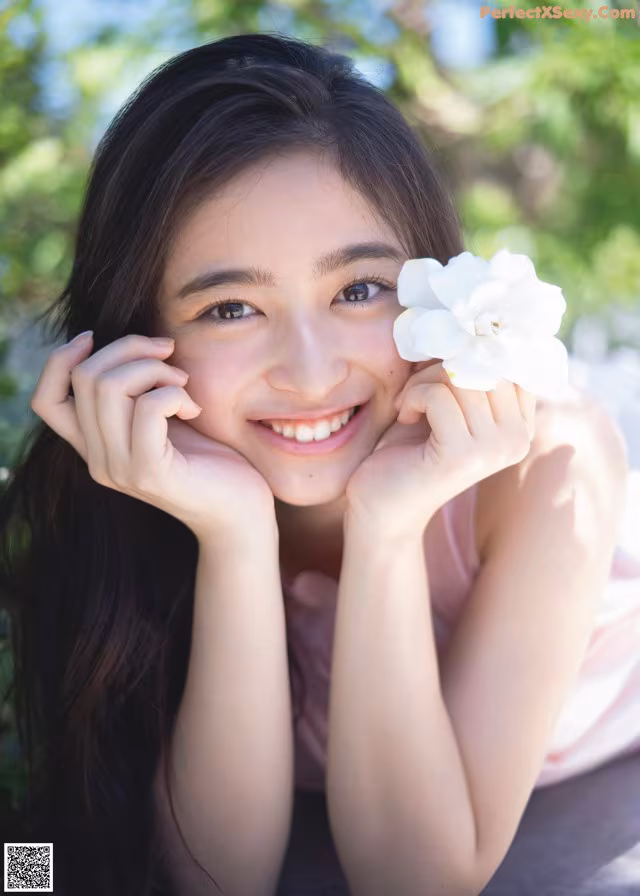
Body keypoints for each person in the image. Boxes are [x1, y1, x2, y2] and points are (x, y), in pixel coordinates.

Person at [0, 31, 639, 896]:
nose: (309, 371)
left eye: (358, 290)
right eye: (230, 307)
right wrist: (234, 537)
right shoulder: (141, 491)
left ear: (432, 286)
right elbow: (217, 878)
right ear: (141, 339)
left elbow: (416, 882)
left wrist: (387, 529)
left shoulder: (547, 460)